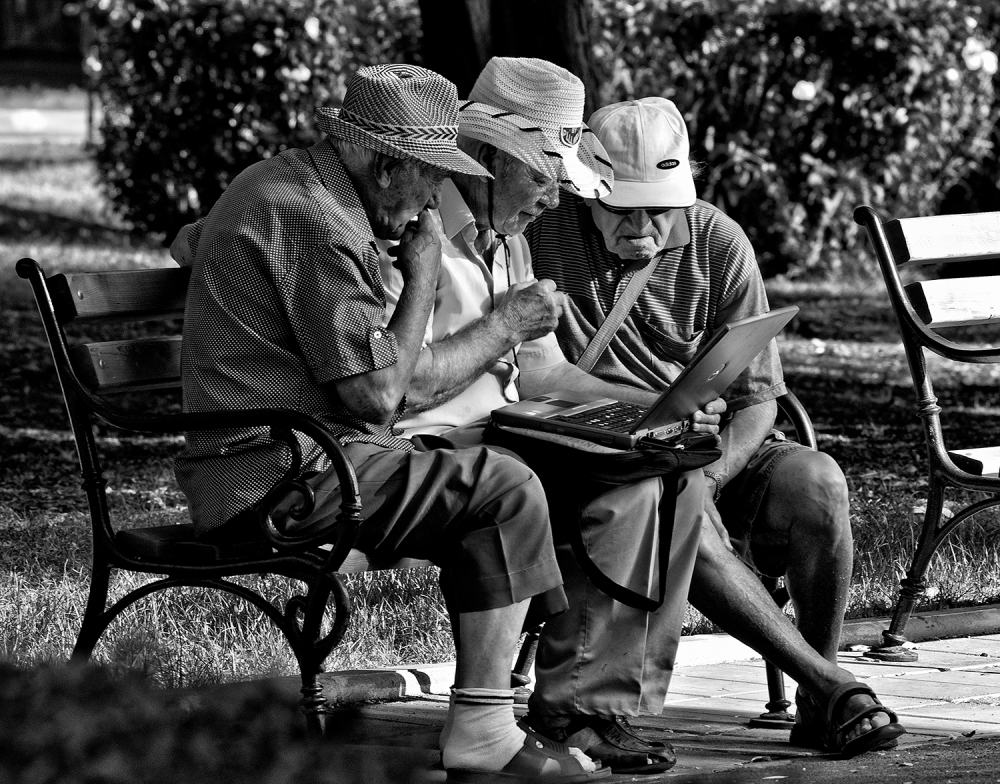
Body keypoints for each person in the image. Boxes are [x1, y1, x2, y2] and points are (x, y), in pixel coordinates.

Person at [171, 63, 608, 783]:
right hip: (276, 478)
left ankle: (501, 710)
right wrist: (427, 269)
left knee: (508, 481)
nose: (435, 199)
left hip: (312, 455)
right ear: (385, 165)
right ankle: (487, 728)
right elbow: (377, 396)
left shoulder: (300, 188)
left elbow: (194, 241)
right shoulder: (315, 220)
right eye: (431, 178)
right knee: (504, 487)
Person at [524, 97, 906, 757]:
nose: (642, 227)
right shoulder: (539, 230)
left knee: (819, 484)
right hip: (596, 456)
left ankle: (820, 703)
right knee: (678, 503)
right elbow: (529, 374)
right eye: (622, 209)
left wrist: (715, 471)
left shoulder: (718, 242)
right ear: (587, 192)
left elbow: (758, 399)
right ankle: (831, 686)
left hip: (702, 446)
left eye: (659, 210)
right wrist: (688, 478)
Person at [375, 57, 724, 775]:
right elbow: (395, 387)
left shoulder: (510, 238)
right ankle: (572, 708)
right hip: (434, 446)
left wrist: (660, 406)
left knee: (668, 470)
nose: (553, 198)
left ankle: (593, 705)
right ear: (490, 158)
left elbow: (543, 373)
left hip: (509, 433)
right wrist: (503, 326)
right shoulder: (415, 228)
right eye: (544, 176)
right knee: (626, 486)